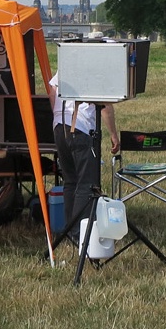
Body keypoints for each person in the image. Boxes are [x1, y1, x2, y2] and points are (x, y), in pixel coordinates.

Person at [46, 70, 119, 238]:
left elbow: (52, 94)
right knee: (86, 183)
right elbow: (105, 107)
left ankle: (69, 230)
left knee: (70, 181)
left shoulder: (66, 63)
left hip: (59, 126)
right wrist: (114, 135)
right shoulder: (94, 68)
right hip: (80, 128)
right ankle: (80, 232)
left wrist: (59, 116)